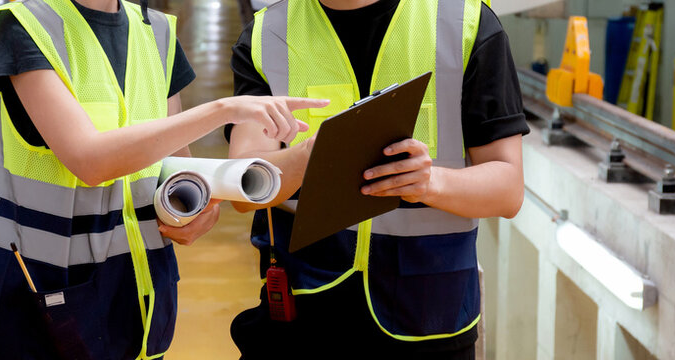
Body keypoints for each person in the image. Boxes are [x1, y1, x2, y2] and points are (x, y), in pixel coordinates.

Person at [0, 0, 327, 359]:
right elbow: (89, 159)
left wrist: (197, 207)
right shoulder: (26, 26)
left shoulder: (156, 32)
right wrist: (222, 110)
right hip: (44, 303)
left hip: (137, 299)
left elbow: (174, 165)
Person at [226, 0, 529, 359]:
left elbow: (507, 189)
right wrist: (308, 156)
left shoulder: (464, 22)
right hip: (305, 314)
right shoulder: (268, 35)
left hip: (429, 317)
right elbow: (242, 192)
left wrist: (429, 182)